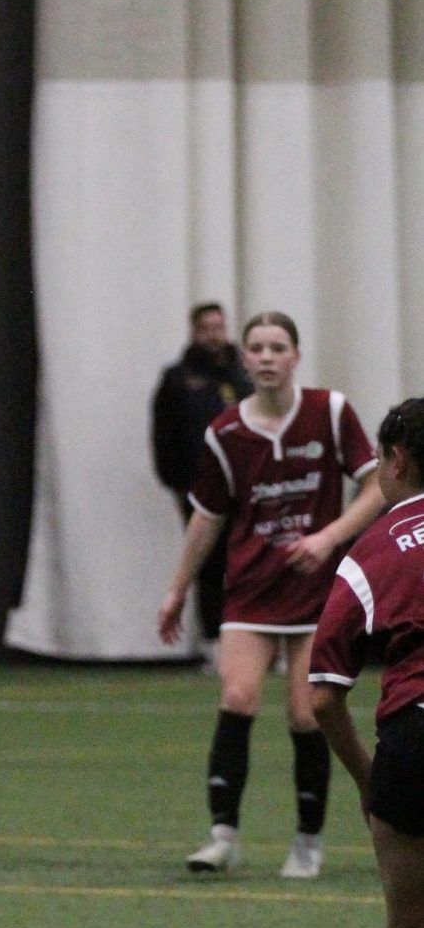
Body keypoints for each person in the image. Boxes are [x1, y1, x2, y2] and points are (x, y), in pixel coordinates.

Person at [158, 314, 382, 878]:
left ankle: (307, 841)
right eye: (255, 348)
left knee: (307, 713)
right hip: (251, 590)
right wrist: (177, 589)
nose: (265, 357)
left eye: (277, 348)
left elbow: (376, 486)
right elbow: (207, 516)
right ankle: (222, 836)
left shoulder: (329, 412)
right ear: (245, 357)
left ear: (295, 356)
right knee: (237, 697)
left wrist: (328, 538)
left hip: (316, 594)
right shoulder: (226, 432)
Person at [308, 397, 424, 928]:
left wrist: (367, 776)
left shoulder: (374, 547)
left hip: (411, 739)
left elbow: (322, 695)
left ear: (396, 458)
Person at [150, 302, 252, 639]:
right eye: (206, 328)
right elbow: (163, 435)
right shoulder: (178, 378)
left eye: (218, 327)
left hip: (247, 486)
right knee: (208, 565)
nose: (213, 335)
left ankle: (255, 637)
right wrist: (176, 482)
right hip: (200, 488)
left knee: (251, 563)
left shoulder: (245, 374)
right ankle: (213, 640)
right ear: (194, 332)